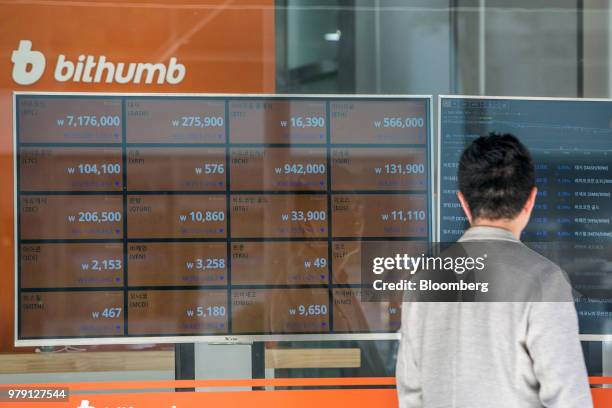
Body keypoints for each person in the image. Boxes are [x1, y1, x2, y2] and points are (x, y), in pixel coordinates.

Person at [396, 134, 592, 408]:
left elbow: (411, 395)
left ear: (463, 203)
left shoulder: (422, 280)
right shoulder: (545, 281)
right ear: (530, 201)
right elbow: (570, 400)